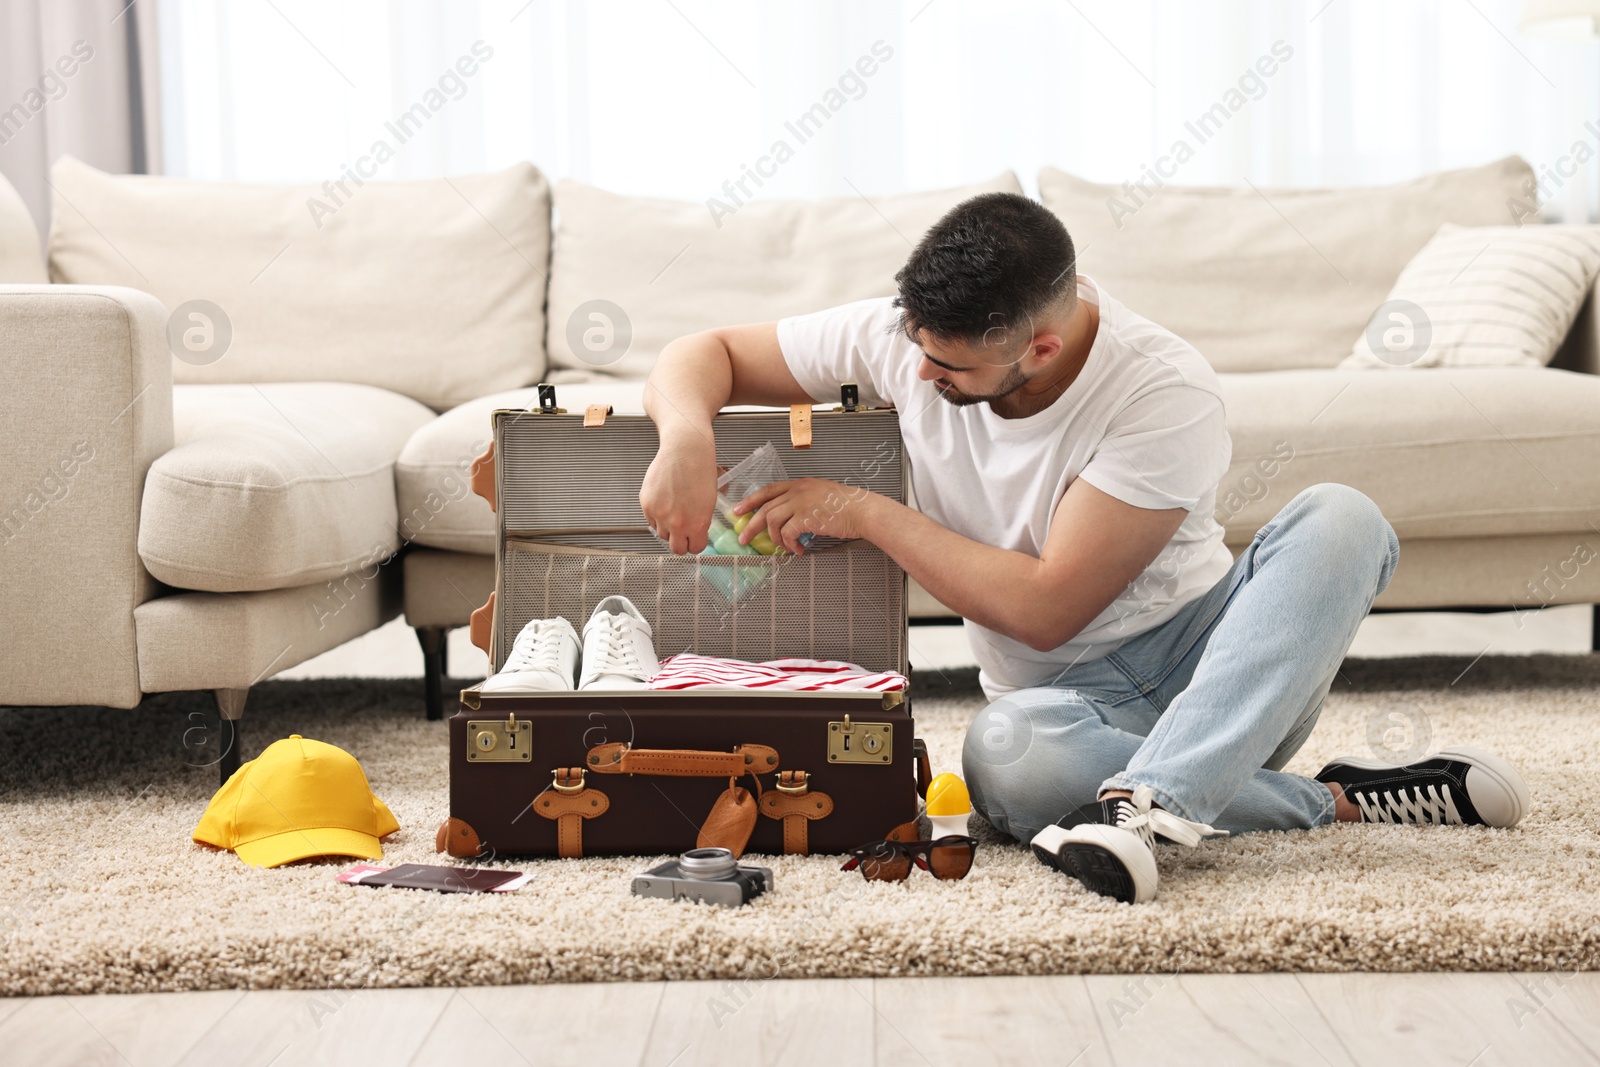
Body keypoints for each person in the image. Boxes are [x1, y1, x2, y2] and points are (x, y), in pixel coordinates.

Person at [639, 192, 1529, 904]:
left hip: (1221, 672)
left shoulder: (1160, 390)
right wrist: (684, 436)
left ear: (1043, 346)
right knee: (1006, 759)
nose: (919, 374)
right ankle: (1326, 799)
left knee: (1344, 514)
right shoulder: (903, 336)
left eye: (950, 368)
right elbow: (704, 348)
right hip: (1065, 711)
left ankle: (1155, 800)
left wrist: (863, 511)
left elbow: (1044, 605)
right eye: (918, 346)